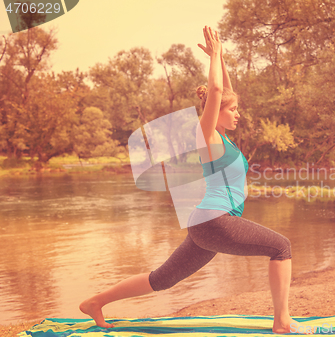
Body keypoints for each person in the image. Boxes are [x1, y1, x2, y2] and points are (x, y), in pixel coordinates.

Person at [80, 26, 312, 334]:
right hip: (215, 221)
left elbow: (225, 90)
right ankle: (282, 321)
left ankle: (95, 302)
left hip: (207, 222)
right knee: (281, 247)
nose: (238, 114)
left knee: (163, 278)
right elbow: (216, 93)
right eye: (233, 110)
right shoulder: (206, 136)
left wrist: (222, 58)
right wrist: (214, 57)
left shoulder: (225, 140)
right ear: (215, 114)